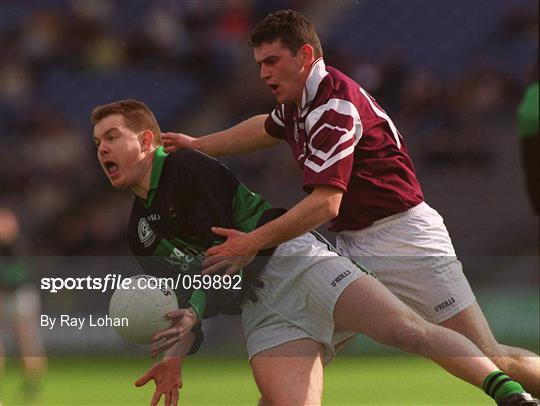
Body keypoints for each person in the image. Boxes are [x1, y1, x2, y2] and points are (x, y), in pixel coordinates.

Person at [162, 10, 540, 396]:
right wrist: (198, 145)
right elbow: (264, 127)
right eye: (260, 64)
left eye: (272, 61)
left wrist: (253, 241)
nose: (263, 73)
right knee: (291, 359)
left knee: (489, 356)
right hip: (353, 243)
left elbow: (326, 205)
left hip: (404, 241)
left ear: (305, 55)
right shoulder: (300, 101)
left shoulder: (333, 107)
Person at [91, 99, 537, 406]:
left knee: (407, 332)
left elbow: (221, 256)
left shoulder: (185, 167)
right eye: (97, 143)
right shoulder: (139, 232)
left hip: (293, 261)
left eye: (112, 136)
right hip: (261, 306)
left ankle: (508, 394)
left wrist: (195, 307)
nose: (102, 148)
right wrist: (173, 355)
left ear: (147, 141)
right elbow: (185, 299)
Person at [0, 207, 47, 404]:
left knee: (26, 344)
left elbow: (20, 276)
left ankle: (31, 386)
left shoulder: (19, 246)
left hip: (20, 298)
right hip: (5, 298)